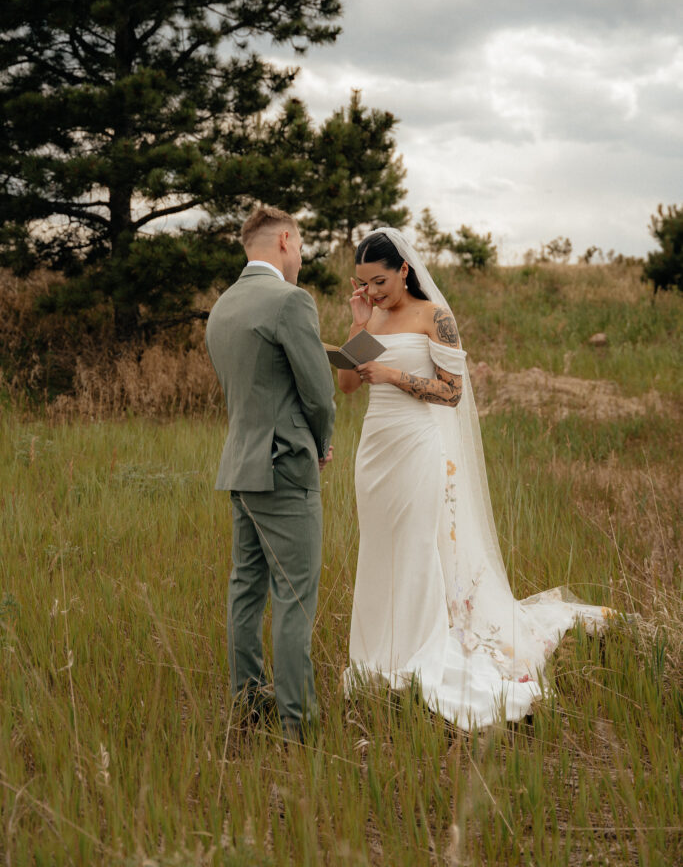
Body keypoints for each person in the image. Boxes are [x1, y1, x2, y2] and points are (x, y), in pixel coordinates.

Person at [337, 228, 611, 729]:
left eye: (379, 281)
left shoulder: (433, 315)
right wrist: (358, 325)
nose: (372, 292)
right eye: (362, 284)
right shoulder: (371, 315)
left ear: (403, 270)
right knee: (379, 548)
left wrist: (396, 376)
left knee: (419, 545)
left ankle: (418, 655)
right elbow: (348, 384)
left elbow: (452, 393)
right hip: (374, 451)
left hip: (418, 445)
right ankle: (379, 656)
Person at [205, 206, 336, 740]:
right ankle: (297, 724)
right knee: (294, 599)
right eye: (301, 246)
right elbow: (319, 394)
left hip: (240, 465)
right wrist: (321, 443)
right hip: (285, 467)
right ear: (284, 239)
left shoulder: (222, 308)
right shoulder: (290, 301)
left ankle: (249, 706)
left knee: (246, 591)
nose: (301, 257)